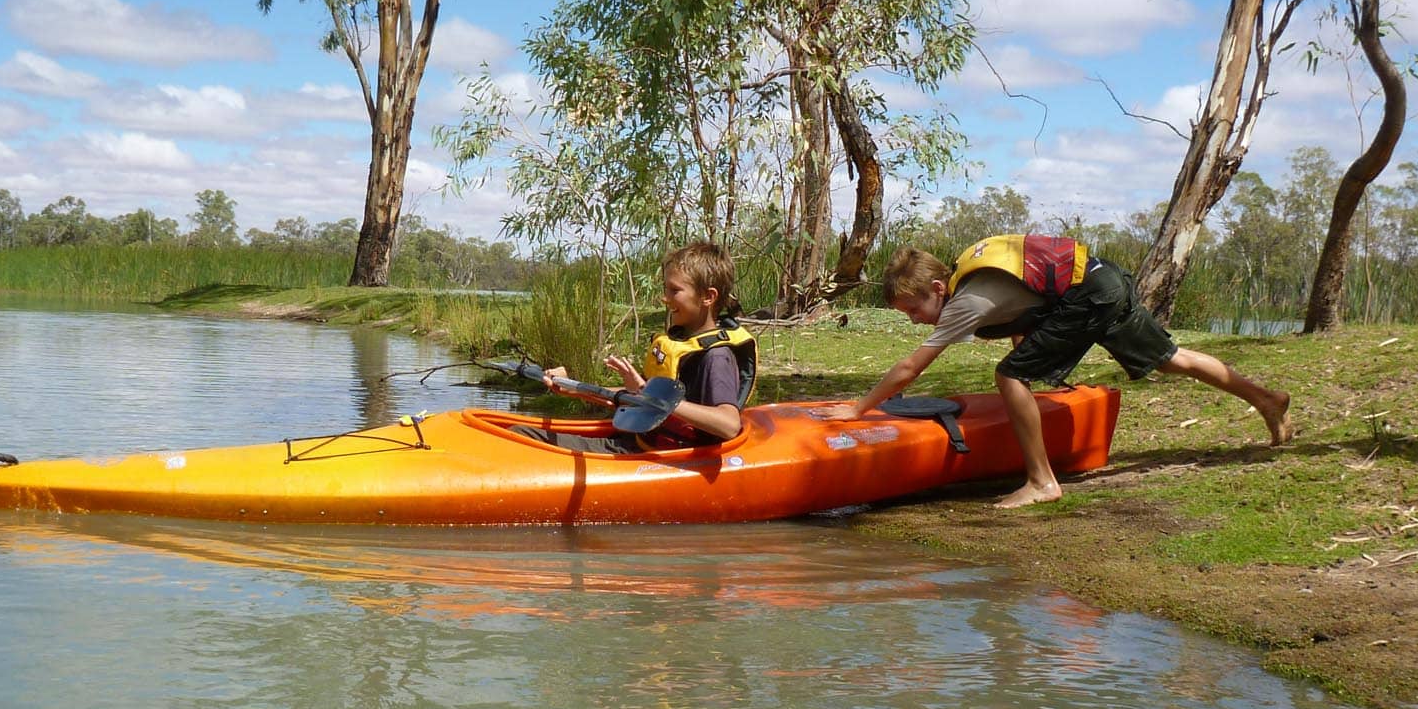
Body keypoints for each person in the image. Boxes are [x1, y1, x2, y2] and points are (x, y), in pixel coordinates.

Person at [827, 233, 1292, 507]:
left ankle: (1041, 482)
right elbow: (1026, 308)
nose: (915, 320)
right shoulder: (972, 278)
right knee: (1172, 359)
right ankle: (1266, 399)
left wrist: (858, 409)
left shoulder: (964, 301)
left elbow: (912, 367)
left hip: (1089, 295)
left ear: (935, 287)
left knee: (1009, 375)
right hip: (1103, 278)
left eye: (913, 309)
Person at [517, 241, 758, 453]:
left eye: (674, 290)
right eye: (665, 288)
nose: (665, 297)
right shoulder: (682, 345)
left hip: (661, 457)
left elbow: (728, 424)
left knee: (521, 437)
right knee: (516, 432)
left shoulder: (716, 357)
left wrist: (649, 394)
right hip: (641, 442)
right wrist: (575, 389)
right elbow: (638, 396)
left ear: (708, 297)